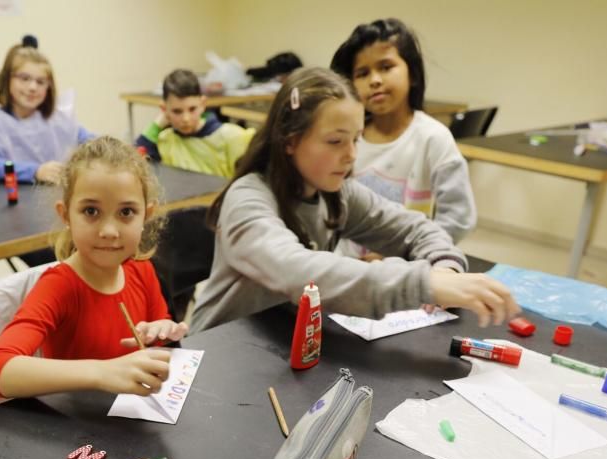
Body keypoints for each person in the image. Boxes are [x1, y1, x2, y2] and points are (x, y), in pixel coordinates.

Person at [189, 67, 518, 334]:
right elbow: (299, 272)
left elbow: (414, 229)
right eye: (335, 141)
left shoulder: (337, 193)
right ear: (290, 141)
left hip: (278, 344)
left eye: (356, 139)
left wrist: (444, 268)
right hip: (218, 354)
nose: (350, 156)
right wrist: (424, 284)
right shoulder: (248, 198)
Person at [0, 137, 188, 399]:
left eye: (126, 212)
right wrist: (103, 373)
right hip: (77, 429)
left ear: (146, 214)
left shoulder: (141, 270)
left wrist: (160, 329)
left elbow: (160, 325)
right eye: (91, 211)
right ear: (65, 215)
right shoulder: (59, 286)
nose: (109, 231)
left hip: (130, 419)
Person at [330, 18, 476, 253]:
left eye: (386, 67)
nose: (375, 80)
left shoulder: (433, 138)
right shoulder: (347, 140)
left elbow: (458, 218)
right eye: (363, 73)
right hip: (348, 271)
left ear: (413, 75)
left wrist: (414, 253)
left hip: (404, 272)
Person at [0, 38, 96, 185]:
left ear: (48, 87)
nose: (32, 87)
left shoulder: (58, 118)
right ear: (7, 80)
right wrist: (35, 171)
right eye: (24, 78)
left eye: (40, 82)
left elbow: (91, 141)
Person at [136, 69, 254, 178]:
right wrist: (157, 125)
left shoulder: (232, 136)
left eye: (192, 109)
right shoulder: (165, 139)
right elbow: (136, 160)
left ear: (203, 104)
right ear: (164, 109)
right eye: (177, 111)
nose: (186, 118)